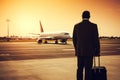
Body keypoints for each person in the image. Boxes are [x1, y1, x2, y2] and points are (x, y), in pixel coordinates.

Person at [72, 10, 100, 80]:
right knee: (88, 70)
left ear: (82, 16)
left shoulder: (76, 26)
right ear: (89, 16)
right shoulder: (94, 26)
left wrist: (77, 49)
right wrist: (97, 51)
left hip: (80, 52)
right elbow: (96, 39)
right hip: (89, 52)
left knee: (80, 69)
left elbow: (74, 39)